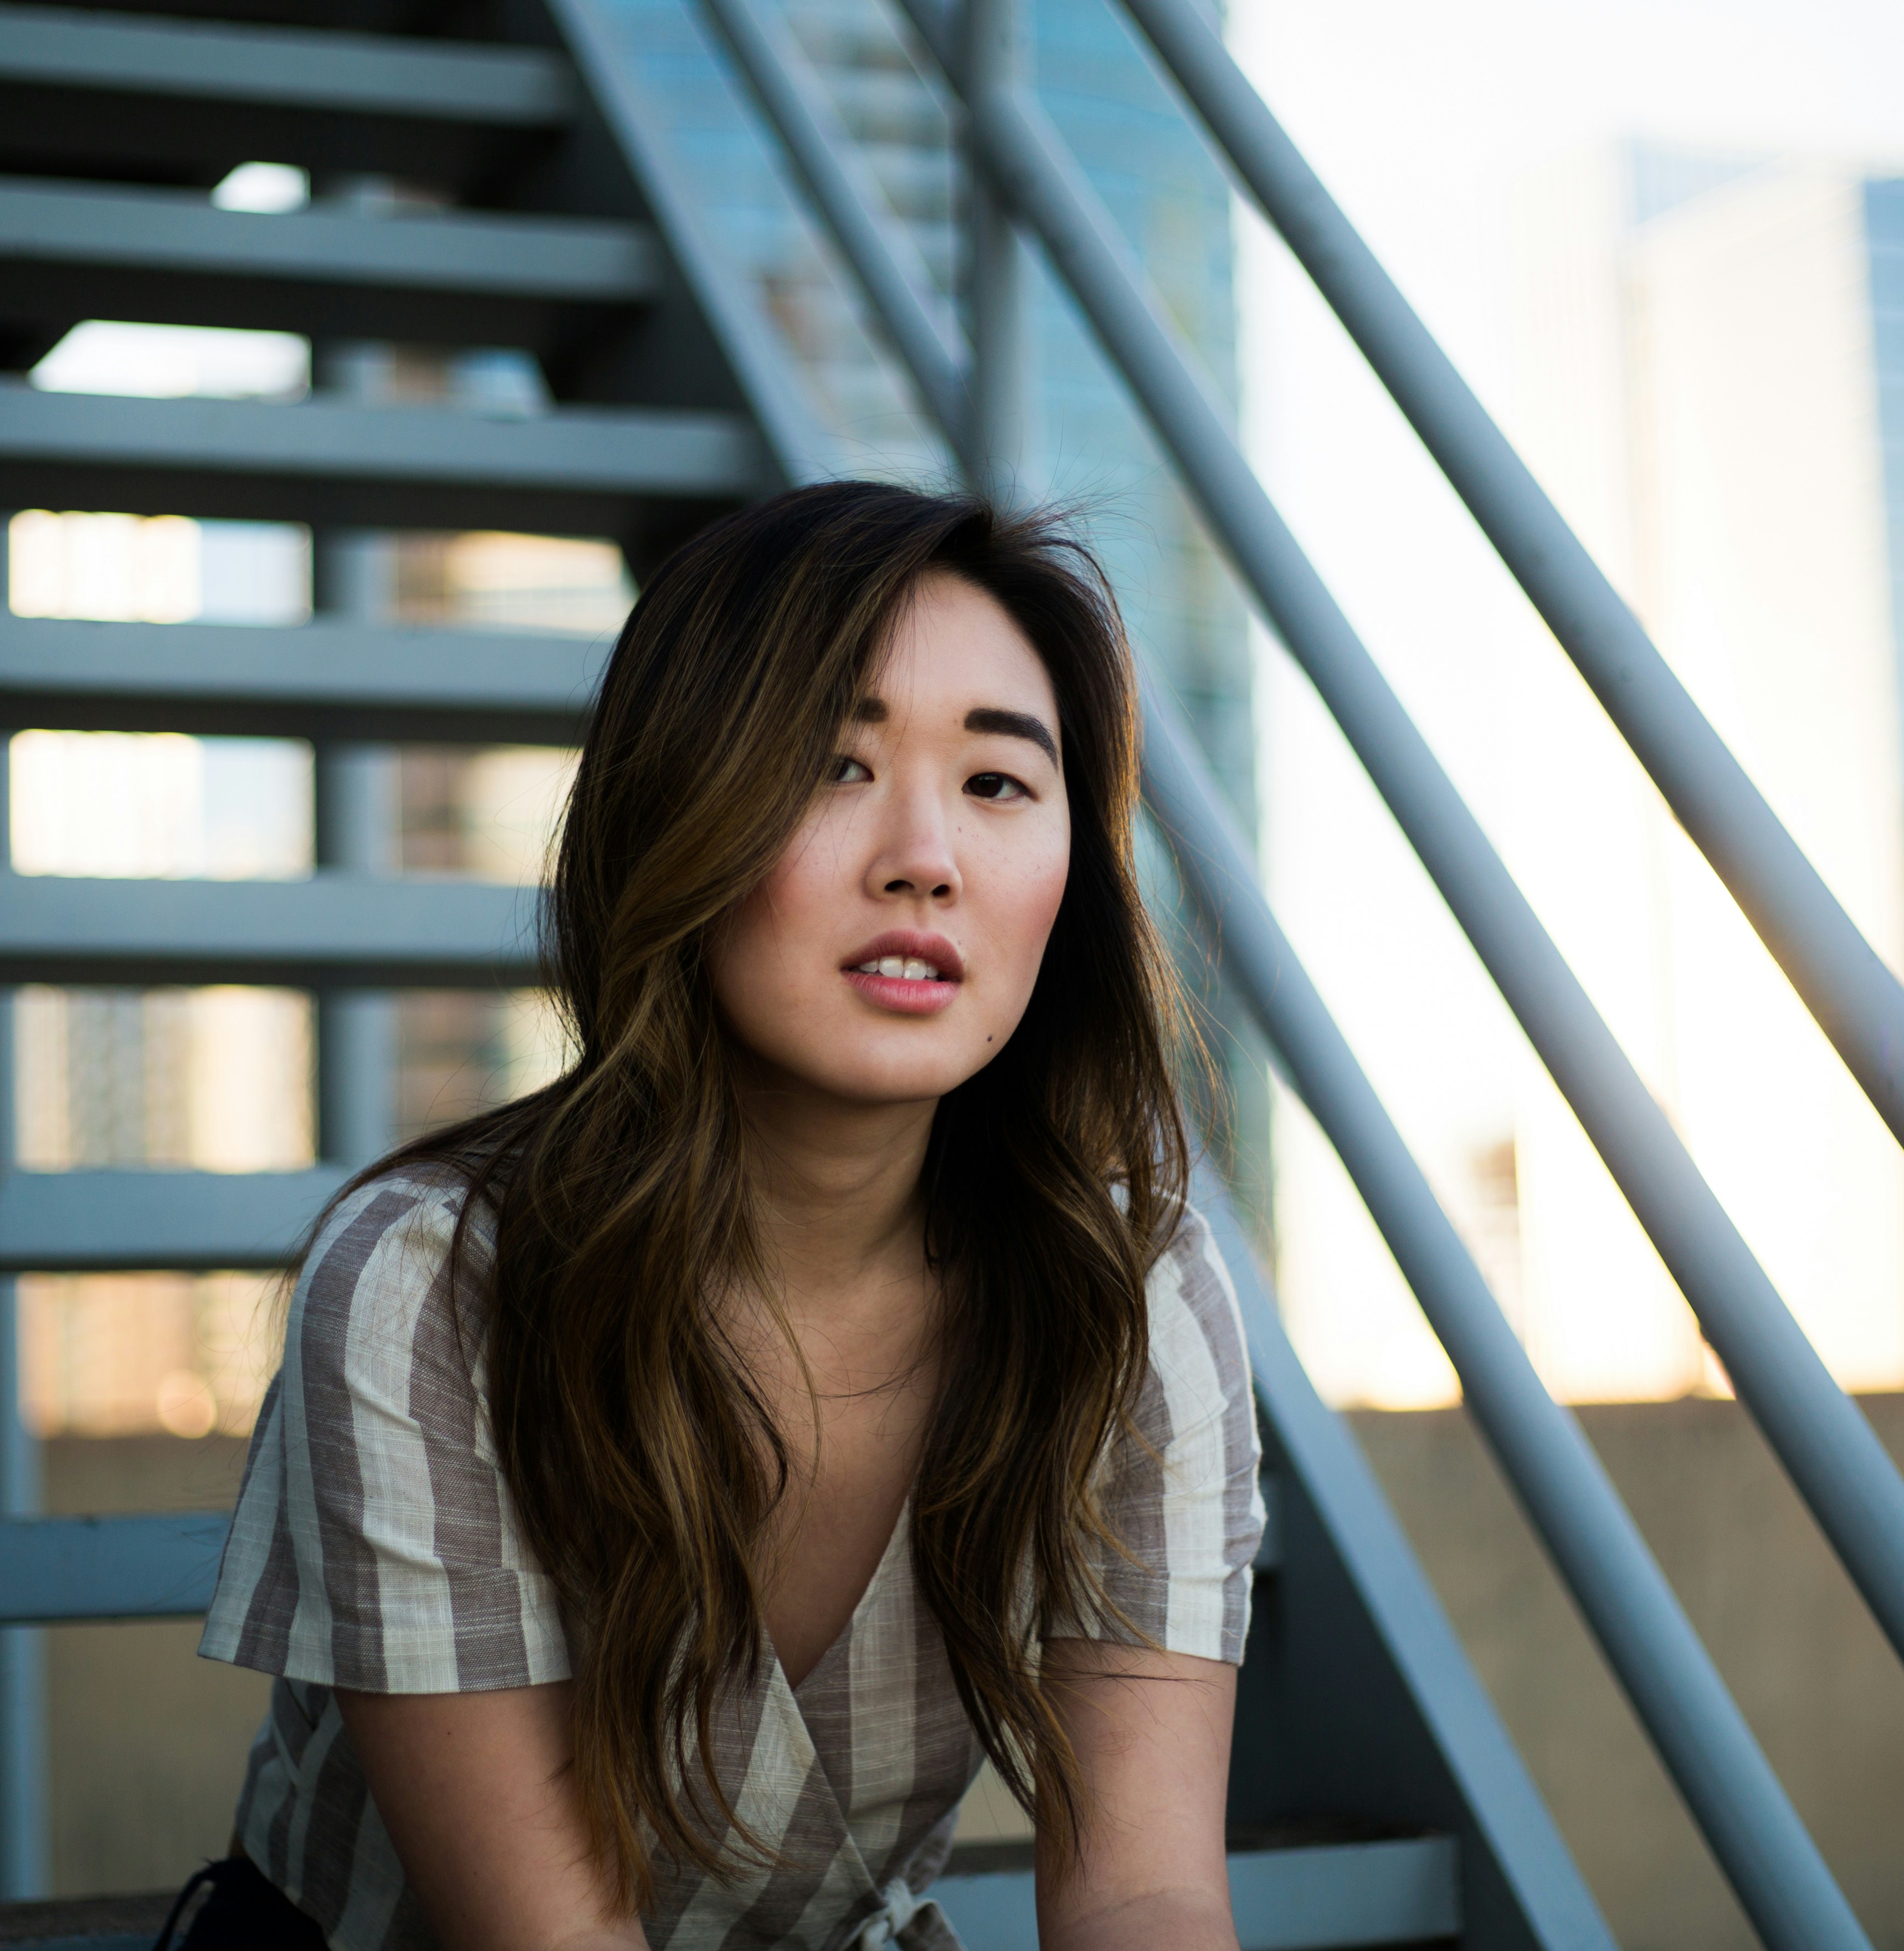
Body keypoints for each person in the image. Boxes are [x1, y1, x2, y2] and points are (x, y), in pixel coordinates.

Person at [183, 482, 1264, 1951]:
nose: (925, 856)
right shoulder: (428, 1288)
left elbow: (1143, 1890)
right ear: (677, 813)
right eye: (831, 763)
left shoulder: (1126, 1284)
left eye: (999, 783)